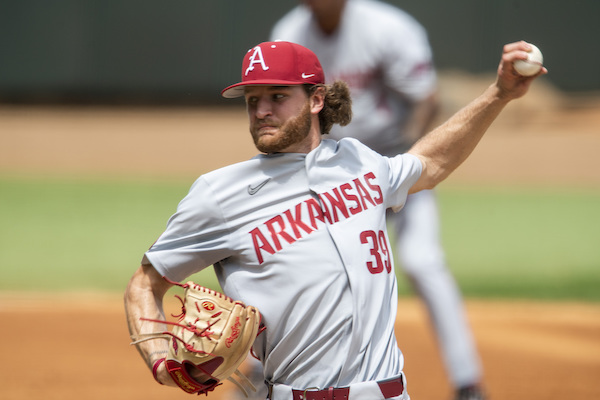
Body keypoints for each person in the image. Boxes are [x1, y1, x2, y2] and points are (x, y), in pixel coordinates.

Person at [124, 39, 545, 400]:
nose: (262, 110)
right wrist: (161, 361)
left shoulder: (359, 161)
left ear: (317, 99)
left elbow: (430, 162)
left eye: (277, 95)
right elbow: (145, 283)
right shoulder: (220, 193)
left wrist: (499, 94)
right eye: (253, 100)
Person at [269, 1, 484, 399]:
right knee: (298, 268)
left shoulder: (387, 27)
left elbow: (426, 98)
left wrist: (396, 166)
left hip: (391, 160)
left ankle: (467, 381)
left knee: (423, 261)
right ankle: (254, 379)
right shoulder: (289, 34)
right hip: (326, 174)